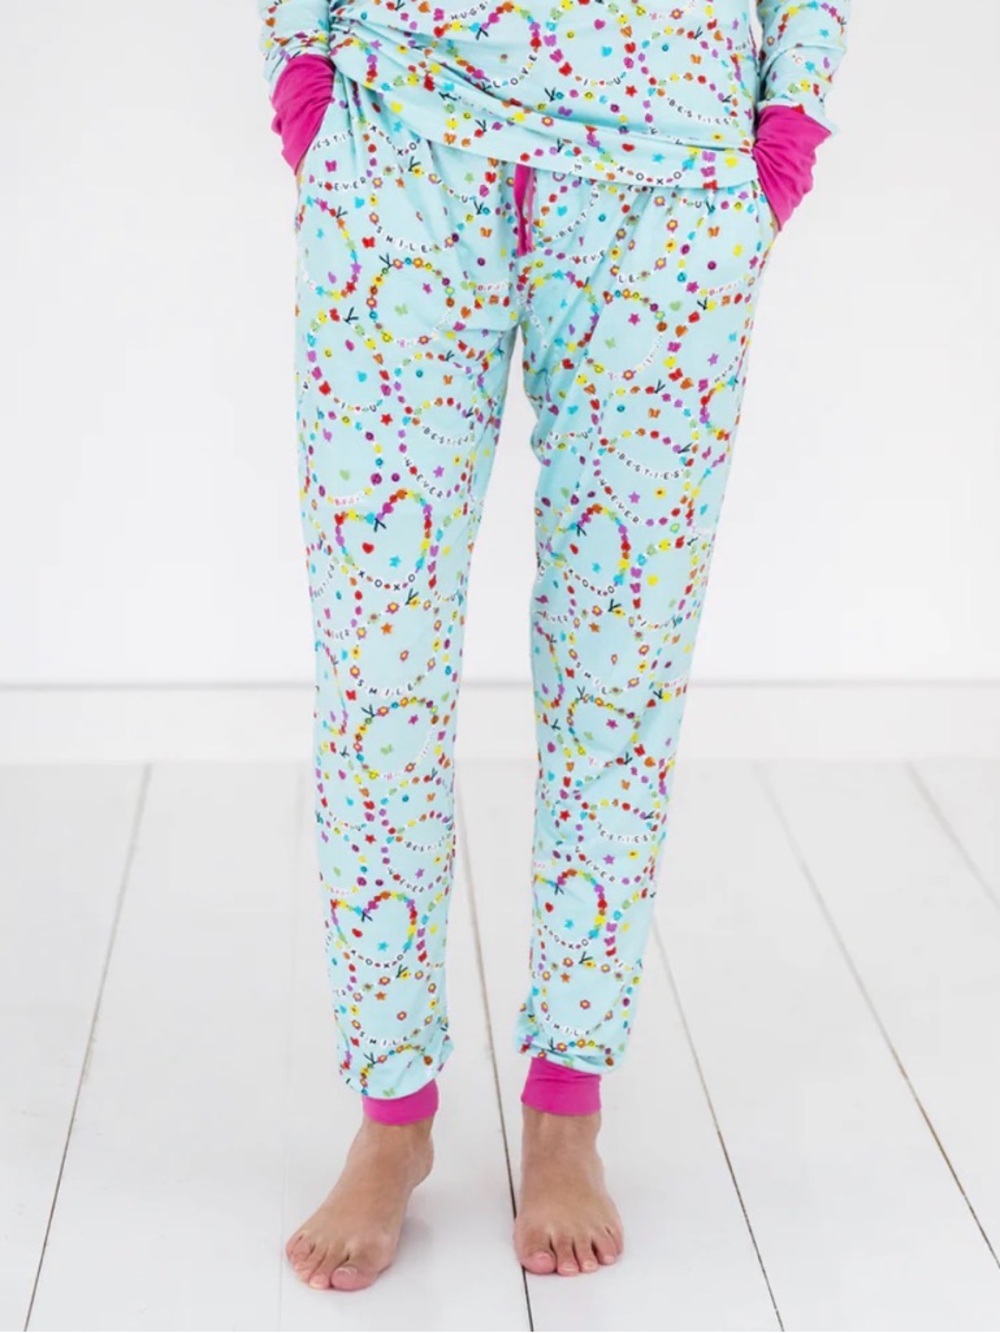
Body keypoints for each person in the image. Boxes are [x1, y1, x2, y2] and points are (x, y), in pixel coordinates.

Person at [257, 0, 850, 1291]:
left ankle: (568, 1100)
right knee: (377, 673)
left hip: (671, 175)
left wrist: (788, 123)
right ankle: (392, 1110)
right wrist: (299, 69)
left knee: (620, 674)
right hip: (403, 140)